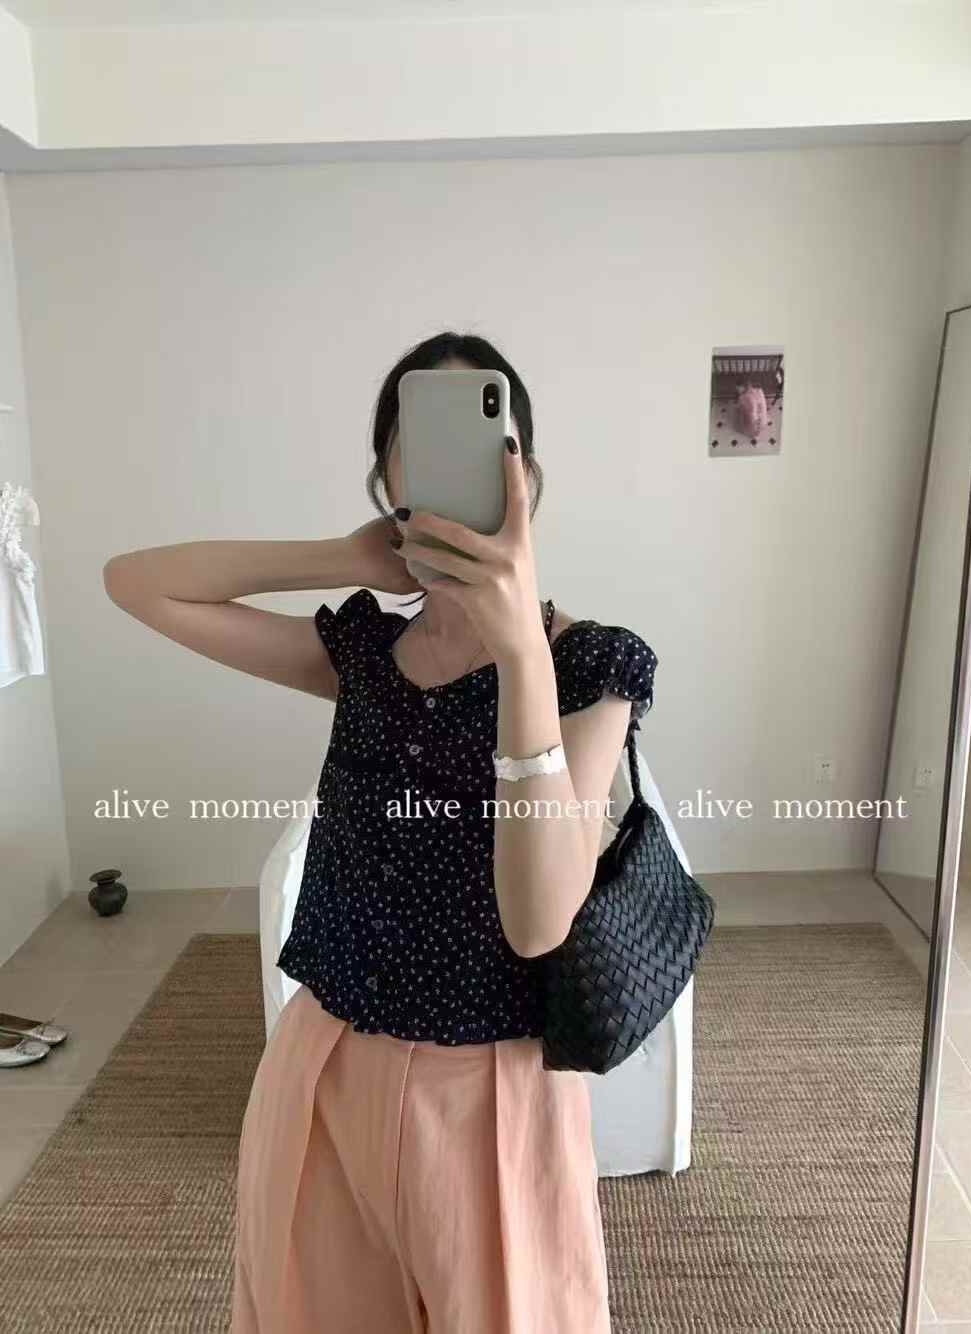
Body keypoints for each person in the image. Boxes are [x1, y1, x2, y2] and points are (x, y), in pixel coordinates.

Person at [103, 331, 658, 1333]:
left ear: (526, 477)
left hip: (491, 1088)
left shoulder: (590, 665)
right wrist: (341, 556)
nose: (450, 470)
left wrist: (519, 654)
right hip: (324, 1064)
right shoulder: (363, 652)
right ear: (386, 477)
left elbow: (540, 922)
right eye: (417, 441)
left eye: (485, 441)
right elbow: (135, 583)